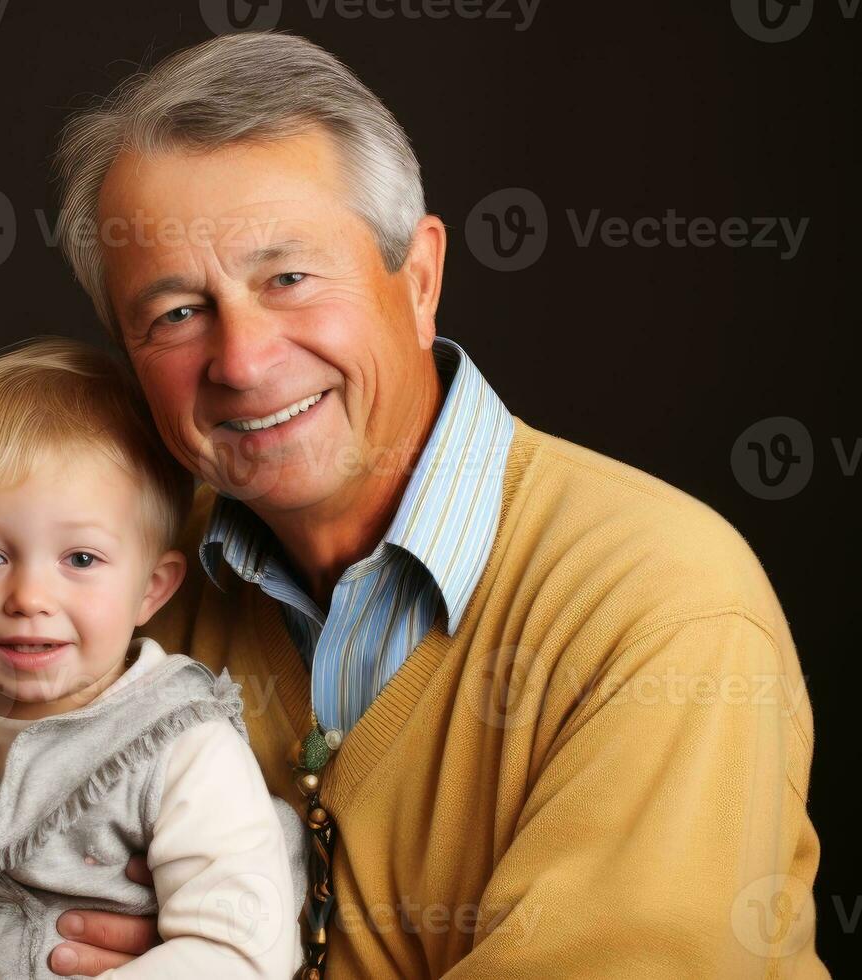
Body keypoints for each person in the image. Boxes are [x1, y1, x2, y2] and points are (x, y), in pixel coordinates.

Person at [47, 31, 826, 978]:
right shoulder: (122, 590)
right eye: (175, 314)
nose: (242, 360)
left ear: (418, 281)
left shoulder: (660, 604)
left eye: (289, 278)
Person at [0, 339, 304, 978]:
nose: (29, 598)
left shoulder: (180, 742)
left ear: (152, 589)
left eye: (80, 560)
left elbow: (239, 950)